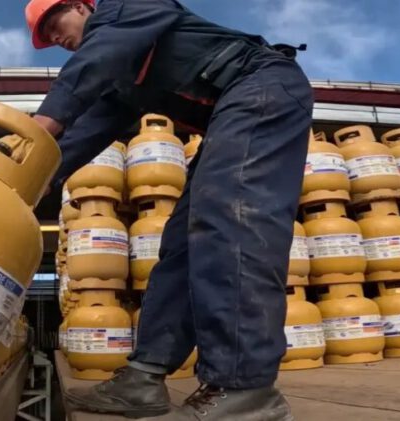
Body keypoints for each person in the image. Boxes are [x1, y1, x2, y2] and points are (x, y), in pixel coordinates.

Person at [23, 0, 313, 419]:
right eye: (46, 38)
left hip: (263, 88)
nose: (55, 39)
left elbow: (92, 62)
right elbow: (79, 136)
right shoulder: (121, 79)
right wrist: (28, 177)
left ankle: (245, 388)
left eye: (54, 24)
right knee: (181, 245)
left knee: (228, 219)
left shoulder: (131, 8)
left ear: (84, 5)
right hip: (230, 117)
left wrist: (40, 123)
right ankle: (144, 377)